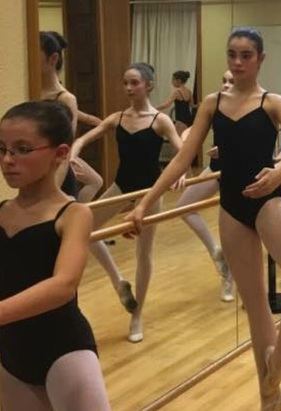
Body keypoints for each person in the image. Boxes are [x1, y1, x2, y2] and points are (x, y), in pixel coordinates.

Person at [127, 28, 281, 410]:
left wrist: (280, 172)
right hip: (232, 206)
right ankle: (270, 397)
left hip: (267, 198)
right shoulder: (212, 103)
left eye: (246, 55)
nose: (237, 62)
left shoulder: (273, 102)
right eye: (232, 54)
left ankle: (274, 367)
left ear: (260, 59)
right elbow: (184, 157)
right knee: (254, 304)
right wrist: (146, 203)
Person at [0, 101, 110, 410]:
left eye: (22, 149)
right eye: (2, 149)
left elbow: (63, 286)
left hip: (63, 351)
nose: (8, 160)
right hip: (11, 354)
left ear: (60, 153)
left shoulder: (73, 214)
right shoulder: (2, 213)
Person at [70, 63, 185, 343]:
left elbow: (182, 152)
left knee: (143, 255)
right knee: (84, 229)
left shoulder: (160, 120)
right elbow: (85, 138)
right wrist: (74, 150)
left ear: (148, 85)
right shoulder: (117, 118)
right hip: (121, 187)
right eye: (126, 83)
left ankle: (137, 315)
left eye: (134, 83)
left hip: (149, 193)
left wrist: (179, 173)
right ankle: (118, 280)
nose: (128, 88)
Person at [175, 71, 235, 303]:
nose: (227, 84)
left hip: (236, 174)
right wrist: (184, 139)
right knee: (184, 207)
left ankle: (228, 278)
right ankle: (215, 251)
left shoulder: (246, 106)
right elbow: (193, 129)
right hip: (215, 169)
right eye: (224, 80)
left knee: (229, 229)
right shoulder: (214, 104)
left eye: (231, 81)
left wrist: (227, 150)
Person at [39, 31, 103, 202]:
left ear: (52, 59)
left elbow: (64, 151)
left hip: (58, 179)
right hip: (37, 172)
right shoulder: (29, 90)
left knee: (95, 182)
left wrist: (52, 193)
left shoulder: (66, 99)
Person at [157, 70, 195, 136]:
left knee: (179, 142)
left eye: (173, 80)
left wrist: (154, 108)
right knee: (186, 140)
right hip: (189, 119)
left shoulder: (177, 92)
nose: (171, 82)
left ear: (179, 81)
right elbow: (192, 105)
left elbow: (167, 104)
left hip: (180, 120)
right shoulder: (189, 91)